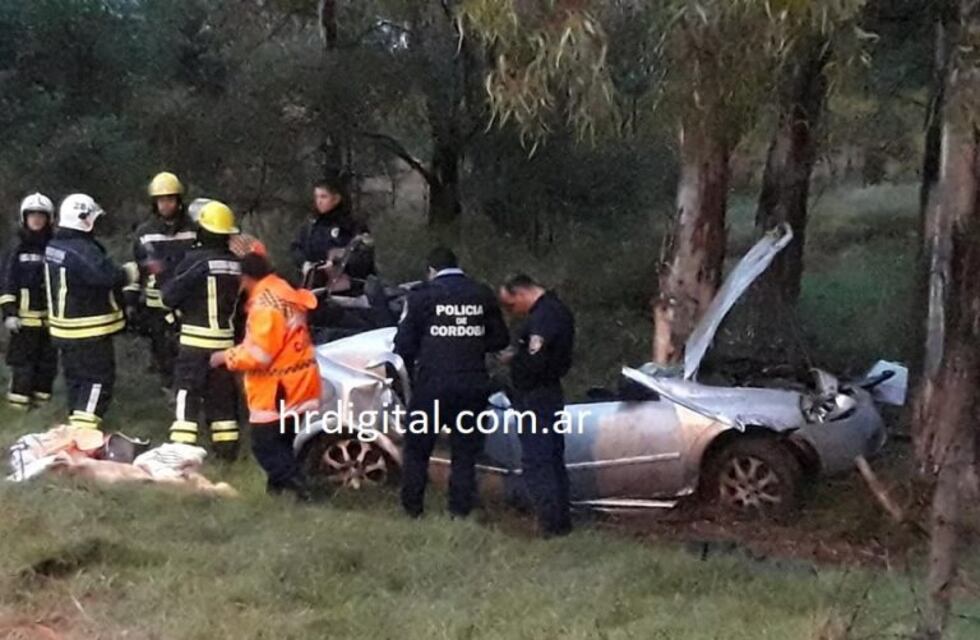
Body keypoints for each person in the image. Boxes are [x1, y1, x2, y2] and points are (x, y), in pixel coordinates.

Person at [394, 247, 509, 519]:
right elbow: (500, 339)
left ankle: (413, 509)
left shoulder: (422, 296)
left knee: (417, 449)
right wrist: (470, 342)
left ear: (431, 270)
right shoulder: (481, 293)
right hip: (472, 384)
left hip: (432, 385)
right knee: (465, 452)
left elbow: (404, 344)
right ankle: (459, 510)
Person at [211, 253, 320, 499]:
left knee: (265, 446)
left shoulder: (264, 306)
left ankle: (302, 489)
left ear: (246, 278)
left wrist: (225, 357)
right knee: (283, 441)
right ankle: (277, 494)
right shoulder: (283, 291)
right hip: (300, 381)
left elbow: (259, 355)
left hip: (277, 388)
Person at [45, 194, 138, 429]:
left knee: (76, 382)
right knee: (97, 380)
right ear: (83, 219)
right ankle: (83, 433)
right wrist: (129, 274)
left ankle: (74, 427)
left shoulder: (56, 245)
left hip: (65, 332)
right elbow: (105, 276)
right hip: (88, 331)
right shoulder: (81, 250)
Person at [161, 201, 242, 458]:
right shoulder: (237, 264)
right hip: (225, 343)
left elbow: (169, 297)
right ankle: (226, 451)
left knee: (187, 391)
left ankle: (182, 447)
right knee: (222, 397)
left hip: (195, 341)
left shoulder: (195, 261)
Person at [498, 274, 575, 537]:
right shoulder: (556, 310)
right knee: (552, 458)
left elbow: (536, 361)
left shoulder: (544, 317)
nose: (512, 311)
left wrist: (515, 362)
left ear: (521, 293)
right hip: (547, 394)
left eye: (511, 304)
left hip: (536, 396)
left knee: (538, 461)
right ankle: (560, 522)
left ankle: (550, 524)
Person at [126, 172, 197, 390]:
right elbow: (136, 267)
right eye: (161, 200)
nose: (166, 205)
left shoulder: (194, 230)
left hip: (189, 303)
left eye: (170, 199)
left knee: (189, 353)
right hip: (156, 307)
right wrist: (131, 302)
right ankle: (170, 392)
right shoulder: (144, 233)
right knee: (163, 353)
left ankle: (189, 392)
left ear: (179, 200)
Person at [1, 193, 58, 410]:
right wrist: (9, 313)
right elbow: (7, 280)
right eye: (32, 215)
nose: (36, 219)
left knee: (47, 364)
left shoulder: (55, 247)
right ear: (24, 218)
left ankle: (42, 408)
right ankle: (19, 405)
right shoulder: (17, 247)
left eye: (41, 216)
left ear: (49, 219)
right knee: (23, 365)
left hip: (50, 319)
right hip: (23, 321)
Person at [290, 176, 375, 295]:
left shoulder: (352, 224)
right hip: (314, 289)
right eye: (317, 197)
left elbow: (363, 256)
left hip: (348, 291)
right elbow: (296, 248)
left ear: (336, 199)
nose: (319, 201)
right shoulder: (311, 225)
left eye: (324, 197)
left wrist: (337, 263)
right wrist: (304, 264)